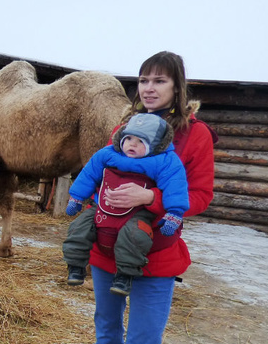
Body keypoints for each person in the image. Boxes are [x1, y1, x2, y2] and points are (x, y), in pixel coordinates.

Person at [75, 51, 215, 344]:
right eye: (144, 80)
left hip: (157, 259)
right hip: (106, 252)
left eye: (160, 81)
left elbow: (201, 196)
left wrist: (148, 199)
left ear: (178, 87)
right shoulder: (124, 128)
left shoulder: (195, 135)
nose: (150, 88)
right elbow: (100, 173)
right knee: (106, 336)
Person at [62, 113, 189, 297]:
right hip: (103, 207)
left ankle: (124, 275)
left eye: (140, 141)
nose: (132, 144)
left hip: (137, 213)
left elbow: (176, 187)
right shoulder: (108, 154)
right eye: (128, 138)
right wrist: (76, 197)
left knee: (135, 236)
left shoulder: (164, 161)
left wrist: (174, 213)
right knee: (78, 227)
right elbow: (89, 173)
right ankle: (75, 266)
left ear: (154, 144)